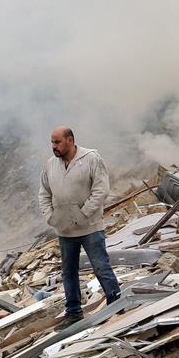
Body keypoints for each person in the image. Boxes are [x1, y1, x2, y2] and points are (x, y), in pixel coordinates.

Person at [38, 126, 121, 325]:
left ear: (70, 140)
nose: (53, 146)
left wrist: (83, 215)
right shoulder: (50, 165)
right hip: (65, 230)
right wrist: (51, 217)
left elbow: (101, 190)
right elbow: (44, 193)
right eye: (52, 142)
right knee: (68, 271)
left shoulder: (91, 159)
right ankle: (73, 311)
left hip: (90, 227)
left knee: (101, 267)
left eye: (57, 142)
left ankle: (117, 304)